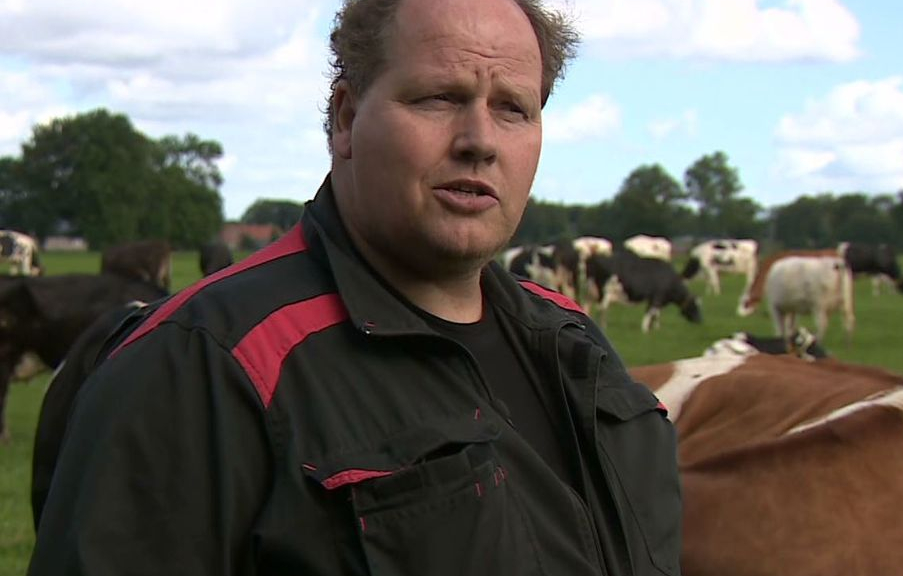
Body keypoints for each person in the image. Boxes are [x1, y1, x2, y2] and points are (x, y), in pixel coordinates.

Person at [29, 0, 682, 574]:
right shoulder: (205, 364)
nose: (480, 141)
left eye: (514, 109)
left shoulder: (574, 343)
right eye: (439, 97)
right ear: (344, 118)